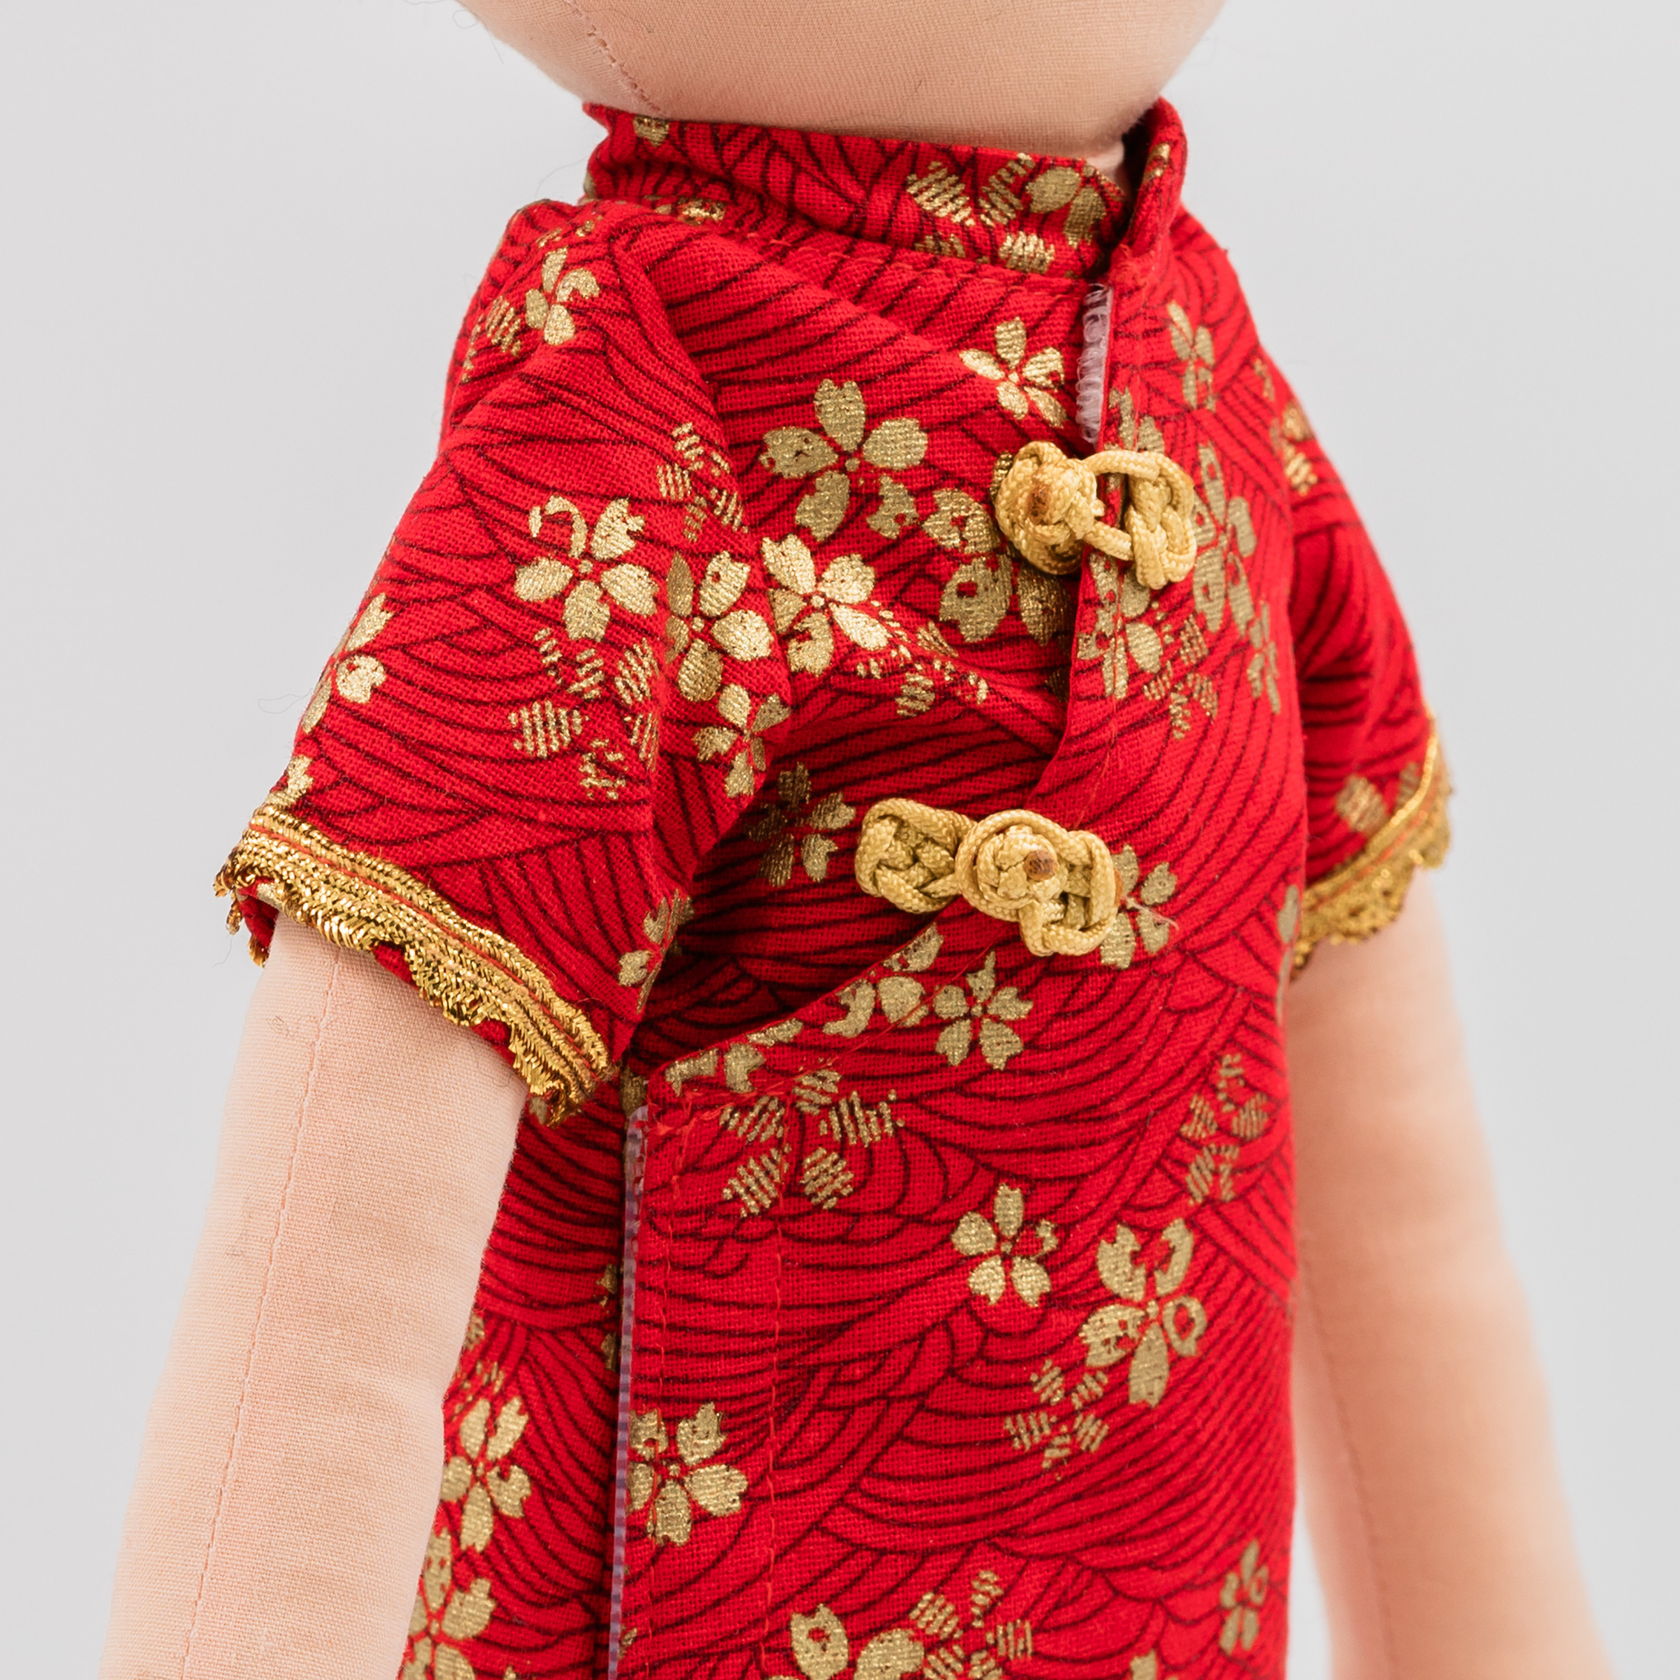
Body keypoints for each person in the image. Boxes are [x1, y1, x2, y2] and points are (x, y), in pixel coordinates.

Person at [100, 4, 1613, 1677]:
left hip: (1164, 1605)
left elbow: (1393, 1185)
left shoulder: (1202, 362)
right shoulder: (644, 365)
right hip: (694, 1599)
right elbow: (351, 1169)